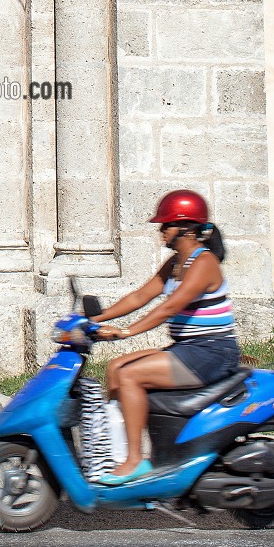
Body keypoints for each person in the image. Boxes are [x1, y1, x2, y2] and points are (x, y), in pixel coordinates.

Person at [87, 189, 238, 484]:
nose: (161, 231)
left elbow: (170, 307)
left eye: (166, 225)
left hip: (211, 353)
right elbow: (141, 296)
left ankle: (134, 462)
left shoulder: (204, 263)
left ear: (186, 228)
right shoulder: (175, 264)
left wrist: (127, 332)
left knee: (130, 376)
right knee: (115, 369)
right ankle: (114, 457)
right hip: (189, 348)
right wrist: (94, 319)